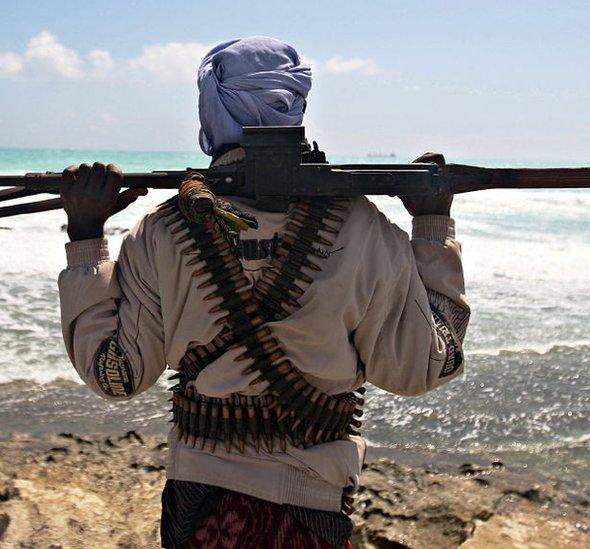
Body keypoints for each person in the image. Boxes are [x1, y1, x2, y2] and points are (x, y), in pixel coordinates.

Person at [57, 36, 469, 549]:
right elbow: (424, 365)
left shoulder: (161, 232)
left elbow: (114, 375)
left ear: (212, 110)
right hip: (313, 507)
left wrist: (86, 235)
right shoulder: (362, 227)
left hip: (199, 505)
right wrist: (432, 223)